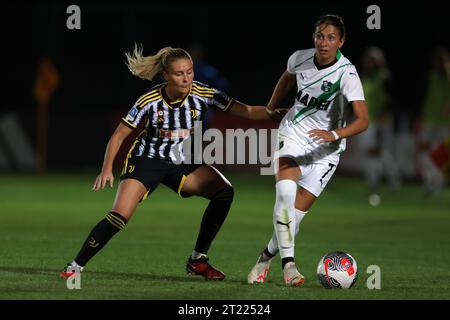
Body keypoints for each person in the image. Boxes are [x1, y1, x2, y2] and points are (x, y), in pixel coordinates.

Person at [60, 45, 284, 280]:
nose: (186, 78)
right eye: (179, 73)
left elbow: (247, 111)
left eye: (189, 71)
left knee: (224, 191)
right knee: (120, 215)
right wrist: (107, 169)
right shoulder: (150, 100)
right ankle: (75, 266)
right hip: (147, 160)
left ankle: (198, 260)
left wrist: (280, 113)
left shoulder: (204, 94)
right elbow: (119, 135)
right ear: (165, 75)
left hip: (179, 161)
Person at [247, 14, 369, 286]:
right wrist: (270, 107)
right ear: (313, 37)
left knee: (295, 218)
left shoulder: (347, 74)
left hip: (327, 150)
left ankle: (264, 258)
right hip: (293, 134)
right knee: (285, 194)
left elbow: (363, 120)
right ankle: (289, 267)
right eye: (319, 36)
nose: (323, 43)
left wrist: (333, 133)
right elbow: (287, 78)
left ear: (341, 41)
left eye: (331, 37)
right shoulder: (299, 58)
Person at [358, 46, 401, 204]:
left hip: (381, 121)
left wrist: (384, 116)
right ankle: (373, 183)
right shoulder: (365, 77)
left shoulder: (384, 76)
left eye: (372, 60)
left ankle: (392, 179)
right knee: (369, 152)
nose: (368, 63)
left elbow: (390, 99)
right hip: (366, 119)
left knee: (379, 151)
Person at [417, 47, 450, 196]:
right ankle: (430, 181)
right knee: (424, 153)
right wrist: (422, 117)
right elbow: (427, 98)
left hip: (444, 123)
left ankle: (437, 183)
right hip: (429, 120)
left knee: (439, 155)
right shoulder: (432, 77)